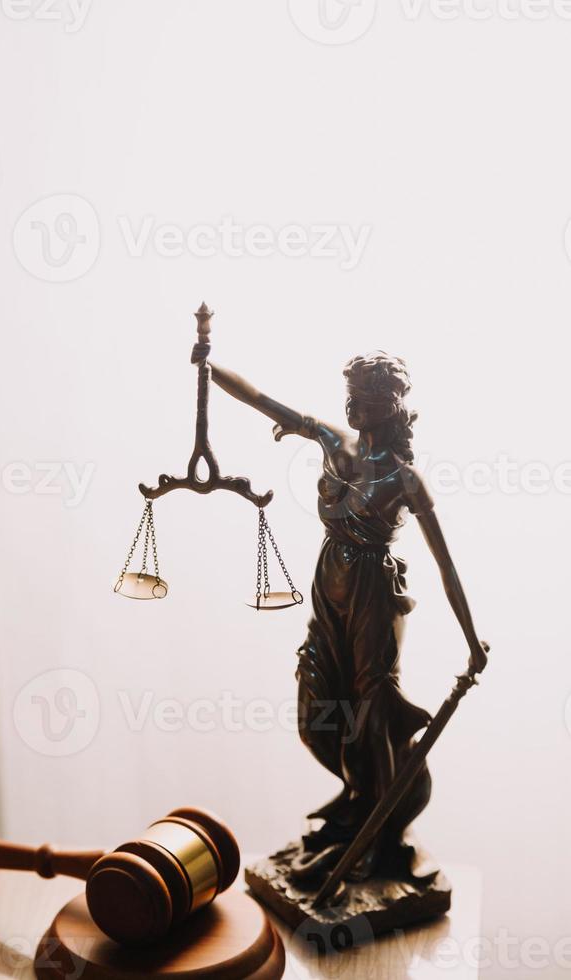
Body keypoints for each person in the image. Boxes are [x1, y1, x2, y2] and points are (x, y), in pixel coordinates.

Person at [193, 344, 488, 880]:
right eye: (353, 397)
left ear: (394, 407)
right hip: (328, 585)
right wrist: (209, 369)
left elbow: (446, 566)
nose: (356, 408)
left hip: (374, 595)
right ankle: (363, 800)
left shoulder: (404, 479)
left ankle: (375, 841)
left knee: (371, 716)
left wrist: (471, 641)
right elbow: (260, 398)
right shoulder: (333, 441)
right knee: (316, 712)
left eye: (371, 400)